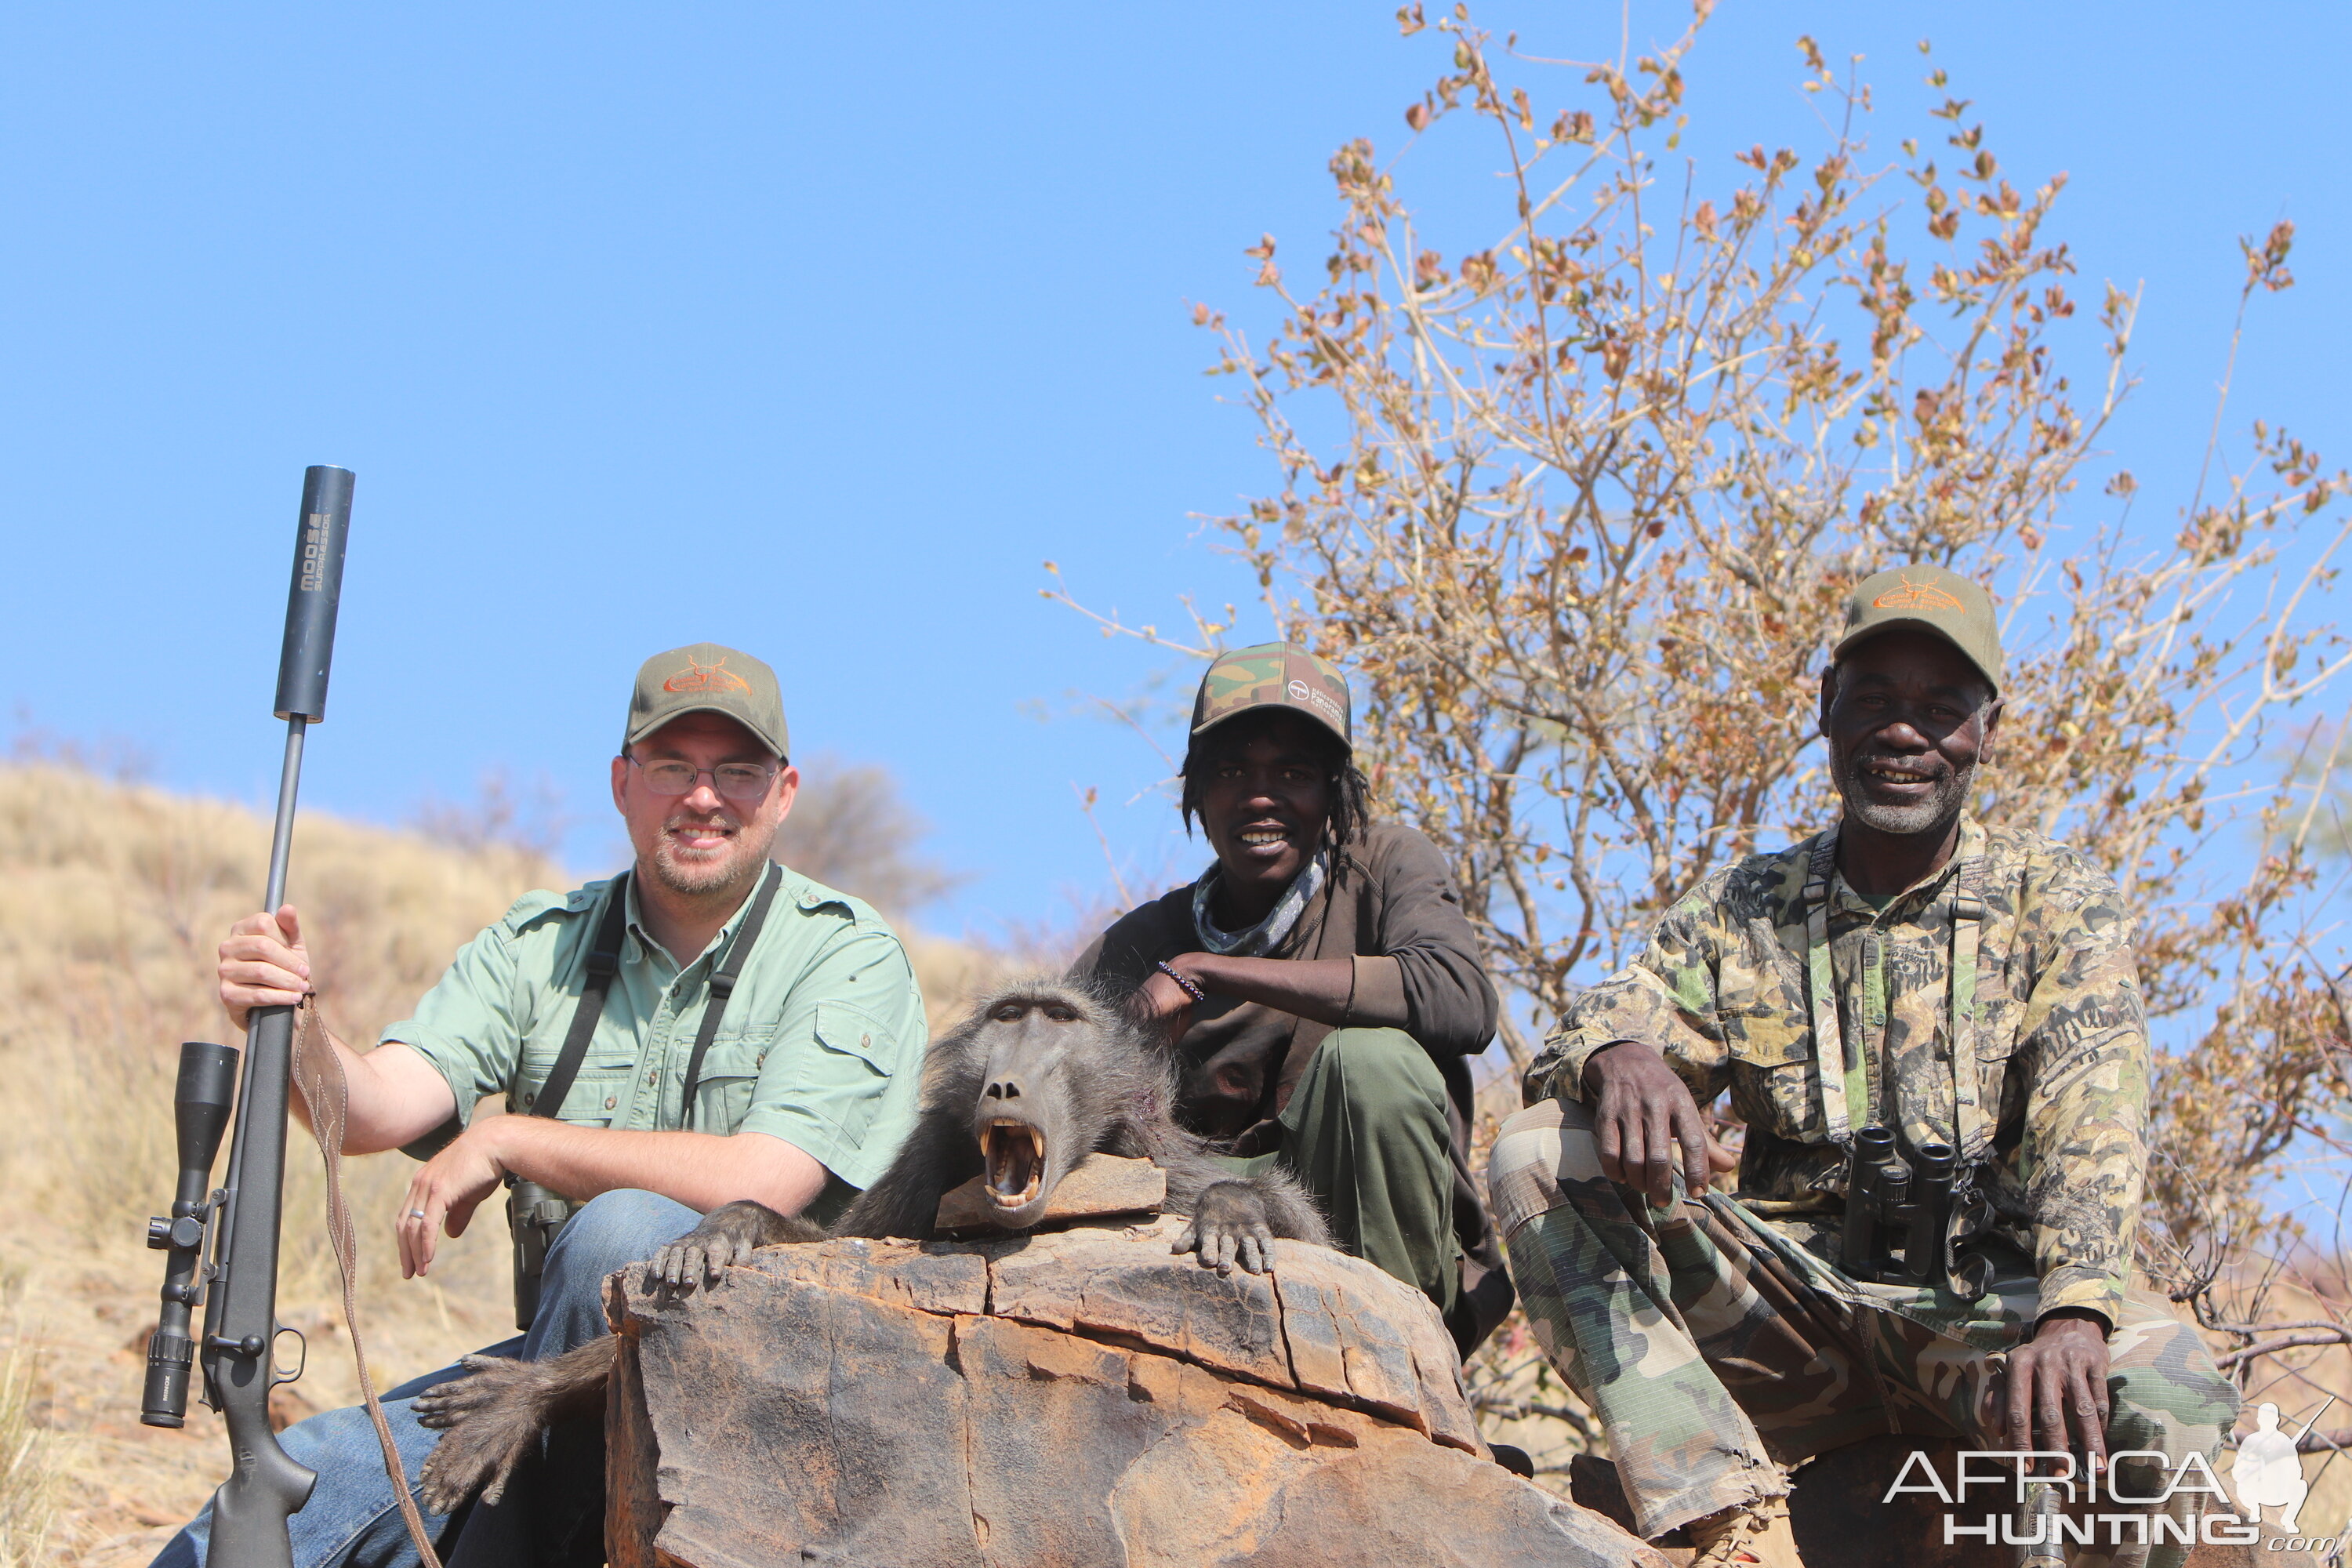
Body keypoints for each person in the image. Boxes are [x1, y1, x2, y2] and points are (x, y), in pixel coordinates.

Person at [1485, 566, 2238, 1568]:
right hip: (1789, 1316)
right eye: (1875, 699)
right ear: (1825, 707)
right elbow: (1605, 1018)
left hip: (1987, 1312)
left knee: (2173, 1392)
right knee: (1542, 1143)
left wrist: (2075, 1309)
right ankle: (1724, 1518)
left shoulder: (2056, 900)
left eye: (1940, 707)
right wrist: (1617, 1051)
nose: (1904, 732)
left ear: (1987, 729)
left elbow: (2092, 1125)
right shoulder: (1745, 904)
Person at [154, 643, 928, 1568]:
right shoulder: (540, 945)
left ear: (785, 790)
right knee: (278, 1501)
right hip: (557, 1385)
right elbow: (371, 1110)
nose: (704, 797)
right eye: (673, 766)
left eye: (737, 771)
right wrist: (290, 1020)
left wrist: (511, 1137)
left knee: (623, 1230)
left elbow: (766, 1176)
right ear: (622, 782)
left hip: (780, 1399)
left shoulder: (848, 956)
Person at [1073, 642, 1512, 1354]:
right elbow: (1044, 1081)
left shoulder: (1386, 865)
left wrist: (1212, 973)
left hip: (1386, 1254)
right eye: (1231, 771)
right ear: (1197, 794)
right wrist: (1136, 1032)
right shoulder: (1140, 939)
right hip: (1205, 1250)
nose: (1260, 797)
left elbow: (1459, 997)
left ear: (1335, 793)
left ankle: (1402, 1372)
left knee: (1368, 1066)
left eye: (1294, 774)